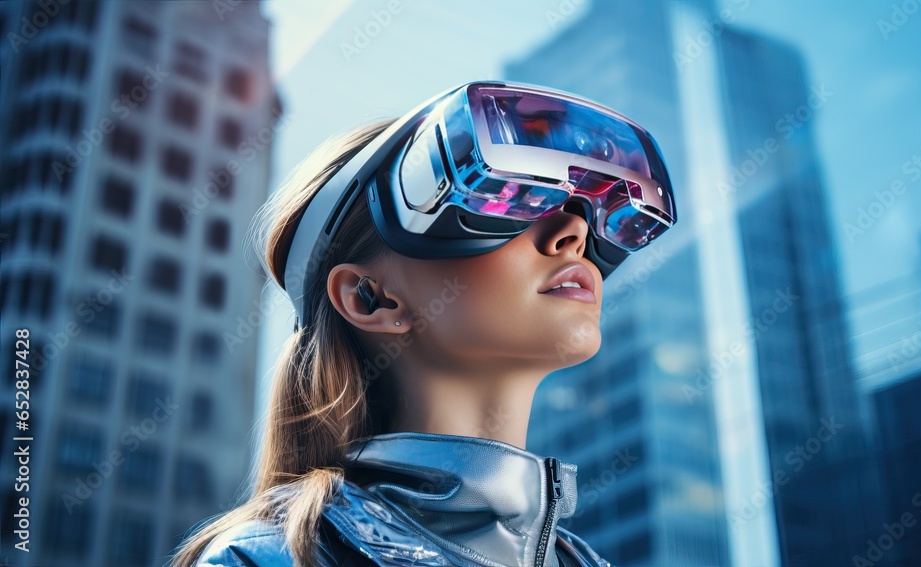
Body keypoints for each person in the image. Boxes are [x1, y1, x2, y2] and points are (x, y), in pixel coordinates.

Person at [170, 81, 676, 567]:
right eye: (507, 198)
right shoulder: (268, 558)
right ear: (371, 299)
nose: (574, 231)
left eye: (585, 209)